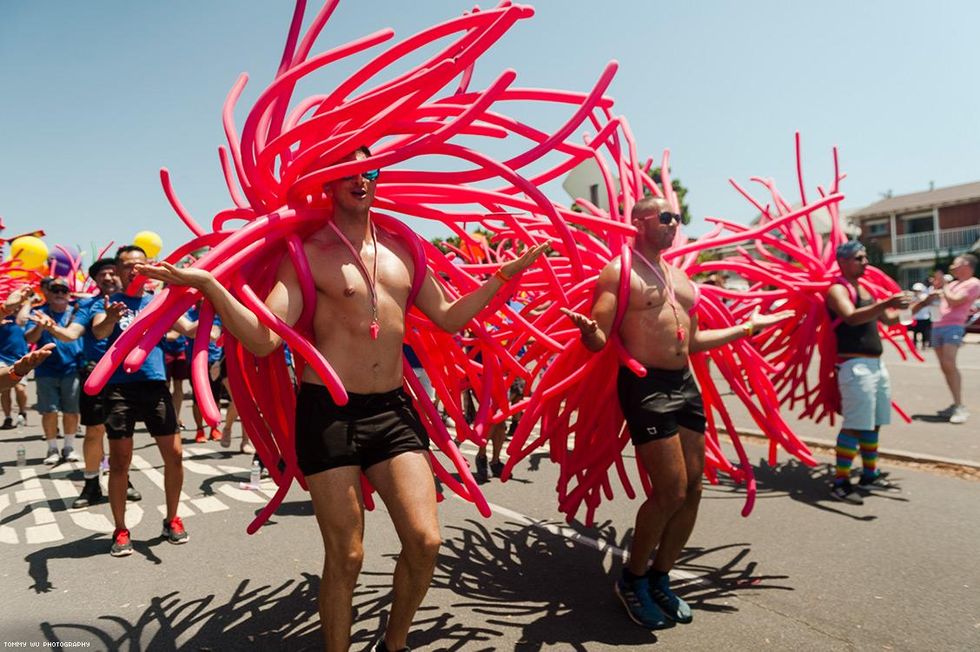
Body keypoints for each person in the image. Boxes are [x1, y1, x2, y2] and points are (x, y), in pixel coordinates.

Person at [137, 146, 547, 652]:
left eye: (369, 170)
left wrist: (502, 279)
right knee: (347, 555)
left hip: (393, 410)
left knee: (425, 541)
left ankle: (392, 645)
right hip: (329, 414)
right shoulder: (308, 255)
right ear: (327, 183)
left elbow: (449, 317)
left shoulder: (403, 248)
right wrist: (210, 286)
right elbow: (265, 339)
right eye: (347, 171)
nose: (360, 179)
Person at [561, 196, 792, 630]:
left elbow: (694, 342)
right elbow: (599, 337)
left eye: (678, 218)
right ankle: (631, 581)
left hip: (684, 384)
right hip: (645, 386)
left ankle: (660, 578)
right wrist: (591, 332)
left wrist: (747, 328)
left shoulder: (681, 278)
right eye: (666, 217)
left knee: (694, 490)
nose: (674, 224)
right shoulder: (620, 271)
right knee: (669, 490)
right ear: (639, 221)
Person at [91, 246, 199, 556]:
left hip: (154, 385)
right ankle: (121, 528)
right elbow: (99, 331)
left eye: (140, 264)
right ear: (120, 270)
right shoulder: (109, 302)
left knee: (175, 455)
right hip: (119, 388)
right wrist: (111, 318)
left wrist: (213, 319)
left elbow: (189, 329)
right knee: (121, 462)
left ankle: (172, 519)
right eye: (128, 265)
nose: (134, 270)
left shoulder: (159, 302)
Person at [35, 258, 142, 508]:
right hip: (95, 375)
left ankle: (123, 479)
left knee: (122, 434)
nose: (107, 278)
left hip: (127, 376)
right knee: (94, 431)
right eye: (101, 275)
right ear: (95, 281)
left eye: (112, 273)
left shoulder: (138, 302)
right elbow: (71, 334)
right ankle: (91, 483)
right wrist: (52, 327)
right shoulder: (88, 305)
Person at [825, 241, 911, 505]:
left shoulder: (863, 289)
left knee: (873, 423)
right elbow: (850, 317)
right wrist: (886, 301)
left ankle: (869, 475)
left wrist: (919, 305)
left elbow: (891, 319)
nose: (865, 262)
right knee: (854, 425)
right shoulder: (837, 290)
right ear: (843, 261)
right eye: (859, 258)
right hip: (855, 368)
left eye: (865, 258)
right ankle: (840, 482)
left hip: (875, 366)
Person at [913, 254, 980, 424]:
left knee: (949, 363)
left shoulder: (973, 283)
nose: (952, 265)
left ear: (967, 264)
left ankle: (959, 406)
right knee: (945, 366)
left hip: (953, 327)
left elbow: (954, 301)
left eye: (956, 263)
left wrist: (945, 286)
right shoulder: (954, 284)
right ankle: (955, 403)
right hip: (937, 326)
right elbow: (939, 304)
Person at [25, 277, 83, 465]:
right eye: (55, 290)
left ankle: (69, 447)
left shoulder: (77, 312)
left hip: (72, 369)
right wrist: (40, 327)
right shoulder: (38, 313)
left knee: (71, 411)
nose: (59, 294)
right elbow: (28, 338)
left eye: (63, 291)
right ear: (47, 293)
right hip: (46, 371)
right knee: (49, 411)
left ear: (68, 294)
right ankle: (52, 448)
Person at [0, 286, 34, 429]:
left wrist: (28, 302)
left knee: (20, 388)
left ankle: (22, 412)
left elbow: (22, 321)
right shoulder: (2, 317)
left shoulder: (23, 315)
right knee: (4, 389)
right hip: (2, 357)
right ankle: (8, 417)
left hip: (19, 357)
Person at [909, 282, 932, 350]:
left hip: (924, 317)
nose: (916, 292)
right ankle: (914, 345)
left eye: (918, 290)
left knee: (924, 332)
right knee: (915, 332)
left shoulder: (924, 296)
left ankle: (924, 344)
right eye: (915, 290)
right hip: (916, 318)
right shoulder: (912, 297)